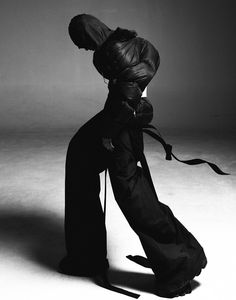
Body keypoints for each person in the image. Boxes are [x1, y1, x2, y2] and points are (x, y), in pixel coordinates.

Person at [58, 14, 208, 298]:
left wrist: (108, 134)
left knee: (130, 193)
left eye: (80, 42)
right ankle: (86, 254)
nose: (81, 49)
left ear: (87, 35)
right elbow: (148, 58)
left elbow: (127, 95)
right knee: (79, 154)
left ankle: (179, 265)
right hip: (122, 114)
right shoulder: (126, 40)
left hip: (122, 120)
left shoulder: (108, 53)